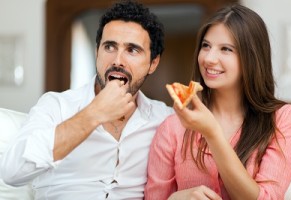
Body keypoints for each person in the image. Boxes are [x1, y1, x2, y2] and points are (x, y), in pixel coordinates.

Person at [0, 1, 173, 199]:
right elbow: (11, 173)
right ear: (96, 51)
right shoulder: (55, 106)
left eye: (132, 50)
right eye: (109, 47)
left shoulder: (165, 119)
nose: (118, 60)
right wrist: (93, 114)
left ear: (153, 63)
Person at [145, 3, 291, 200]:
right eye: (206, 46)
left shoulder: (283, 119)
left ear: (251, 57)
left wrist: (212, 133)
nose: (209, 58)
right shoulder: (172, 128)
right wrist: (176, 199)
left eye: (226, 49)